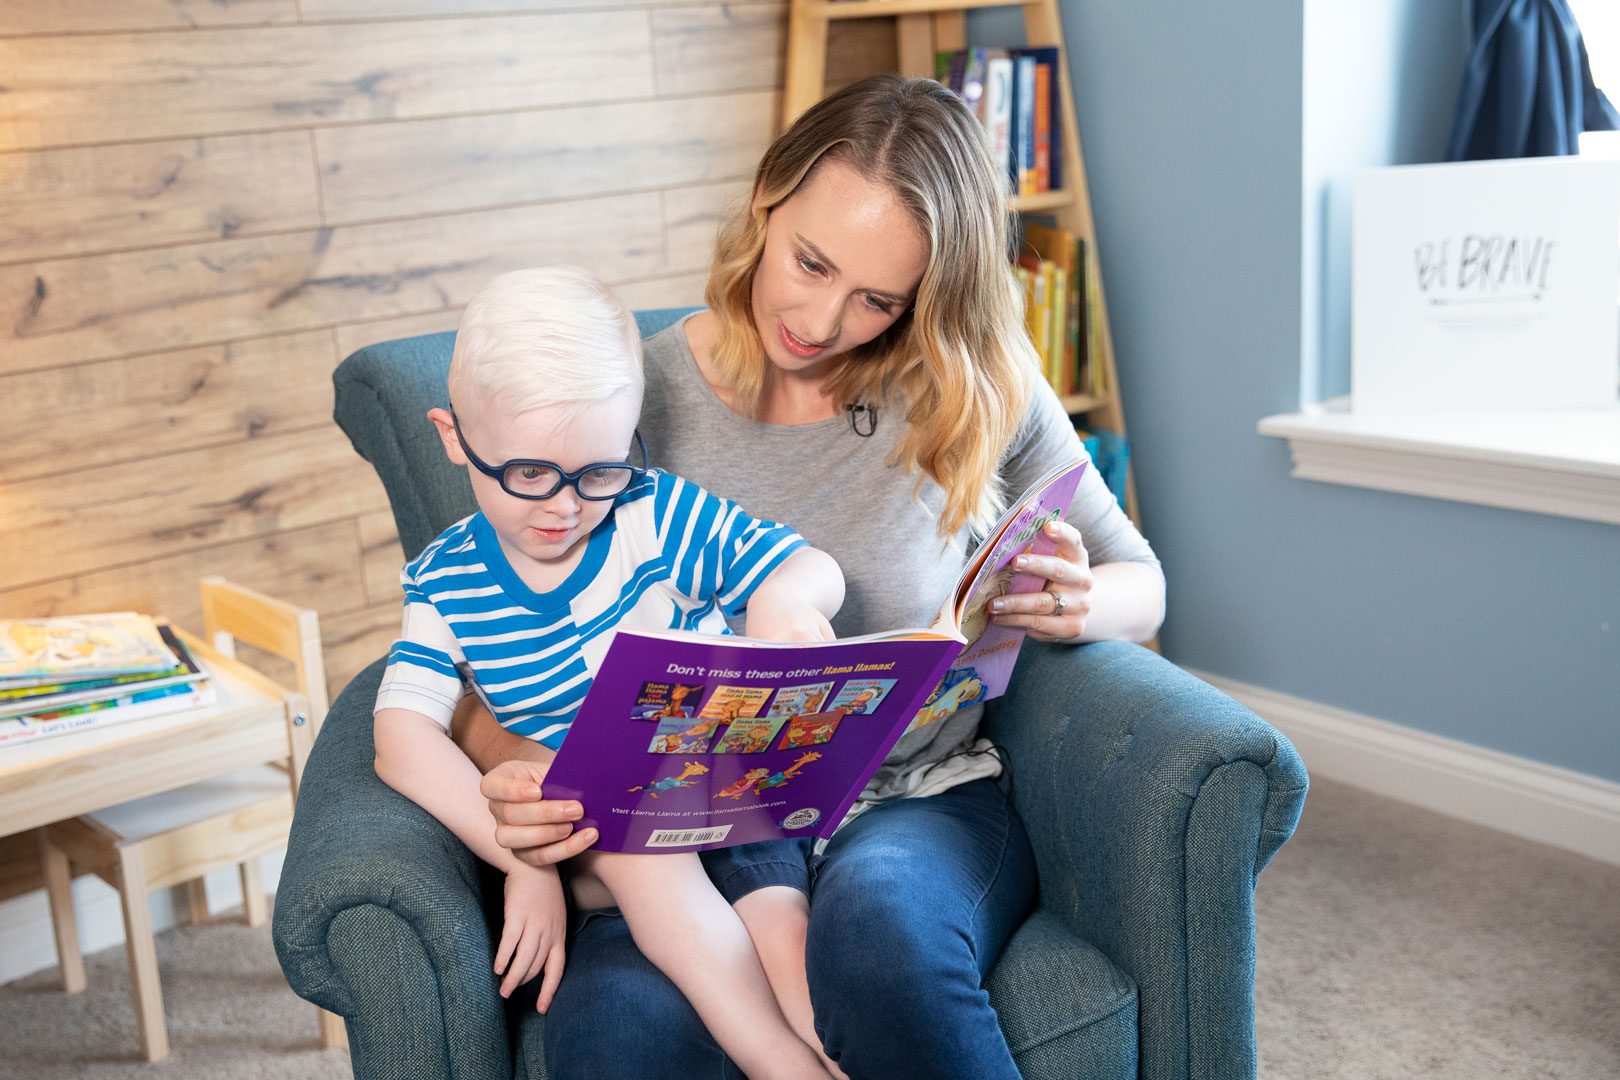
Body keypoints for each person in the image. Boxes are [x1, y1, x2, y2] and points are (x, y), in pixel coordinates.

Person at [457, 75, 1166, 1079]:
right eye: (810, 262)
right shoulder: (626, 402)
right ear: (767, 198)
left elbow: (1143, 579)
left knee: (883, 942)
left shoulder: (970, 385)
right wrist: (516, 769)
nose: (824, 320)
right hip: (690, 841)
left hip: (912, 803)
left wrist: (1081, 602)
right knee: (616, 1040)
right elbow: (484, 657)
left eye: (878, 299)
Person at [371, 266, 847, 1080]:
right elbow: (399, 737)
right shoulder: (444, 582)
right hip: (601, 843)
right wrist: (525, 856)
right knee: (631, 841)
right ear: (454, 439)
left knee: (784, 941)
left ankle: (835, 1060)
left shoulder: (651, 511)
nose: (565, 507)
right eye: (528, 475)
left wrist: (782, 606)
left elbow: (809, 567)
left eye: (596, 471)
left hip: (731, 806)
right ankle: (781, 1067)